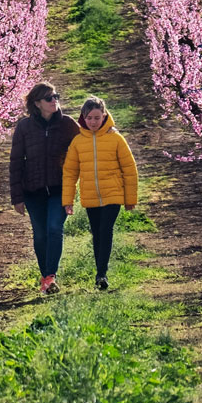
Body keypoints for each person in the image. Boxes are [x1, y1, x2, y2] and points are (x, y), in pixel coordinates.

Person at [61, 95, 139, 291]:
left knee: (105, 230)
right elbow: (70, 173)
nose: (93, 122)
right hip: (90, 196)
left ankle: (101, 274)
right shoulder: (78, 142)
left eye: (97, 117)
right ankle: (100, 272)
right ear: (83, 118)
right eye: (89, 118)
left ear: (104, 116)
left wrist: (130, 199)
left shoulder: (116, 138)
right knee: (96, 234)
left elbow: (130, 169)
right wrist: (67, 200)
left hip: (113, 194)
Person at [9, 82, 78, 295]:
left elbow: (86, 143)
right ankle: (46, 278)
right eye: (49, 98)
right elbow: (16, 162)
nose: (54, 101)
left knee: (54, 228)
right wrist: (17, 197)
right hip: (33, 191)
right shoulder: (24, 127)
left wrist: (107, 127)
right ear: (37, 103)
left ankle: (50, 276)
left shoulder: (67, 124)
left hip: (60, 189)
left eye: (56, 96)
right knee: (40, 235)